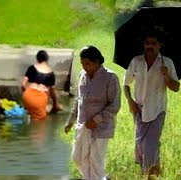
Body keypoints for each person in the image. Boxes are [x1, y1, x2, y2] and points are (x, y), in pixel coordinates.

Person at [123, 31, 180, 176]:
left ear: (160, 45)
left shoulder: (167, 63)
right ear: (144, 44)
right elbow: (126, 84)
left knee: (150, 144)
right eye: (147, 43)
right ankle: (155, 171)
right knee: (141, 145)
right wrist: (130, 101)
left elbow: (176, 88)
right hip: (139, 109)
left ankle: (148, 175)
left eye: (153, 43)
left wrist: (166, 76)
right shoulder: (136, 61)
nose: (150, 46)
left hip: (157, 109)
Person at [64, 45, 121, 180]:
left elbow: (115, 105)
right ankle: (101, 178)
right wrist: (70, 122)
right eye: (82, 64)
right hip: (83, 125)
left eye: (88, 64)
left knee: (95, 161)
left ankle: (97, 177)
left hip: (101, 127)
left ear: (97, 62)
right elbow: (79, 101)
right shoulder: (82, 76)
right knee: (77, 157)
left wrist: (96, 120)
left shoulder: (110, 78)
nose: (84, 67)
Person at [22, 50, 63, 120]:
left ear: (37, 59)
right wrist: (55, 104)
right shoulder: (50, 73)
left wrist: (27, 98)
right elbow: (52, 92)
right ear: (47, 59)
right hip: (40, 97)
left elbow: (23, 85)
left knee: (32, 114)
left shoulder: (32, 67)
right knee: (40, 124)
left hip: (27, 95)